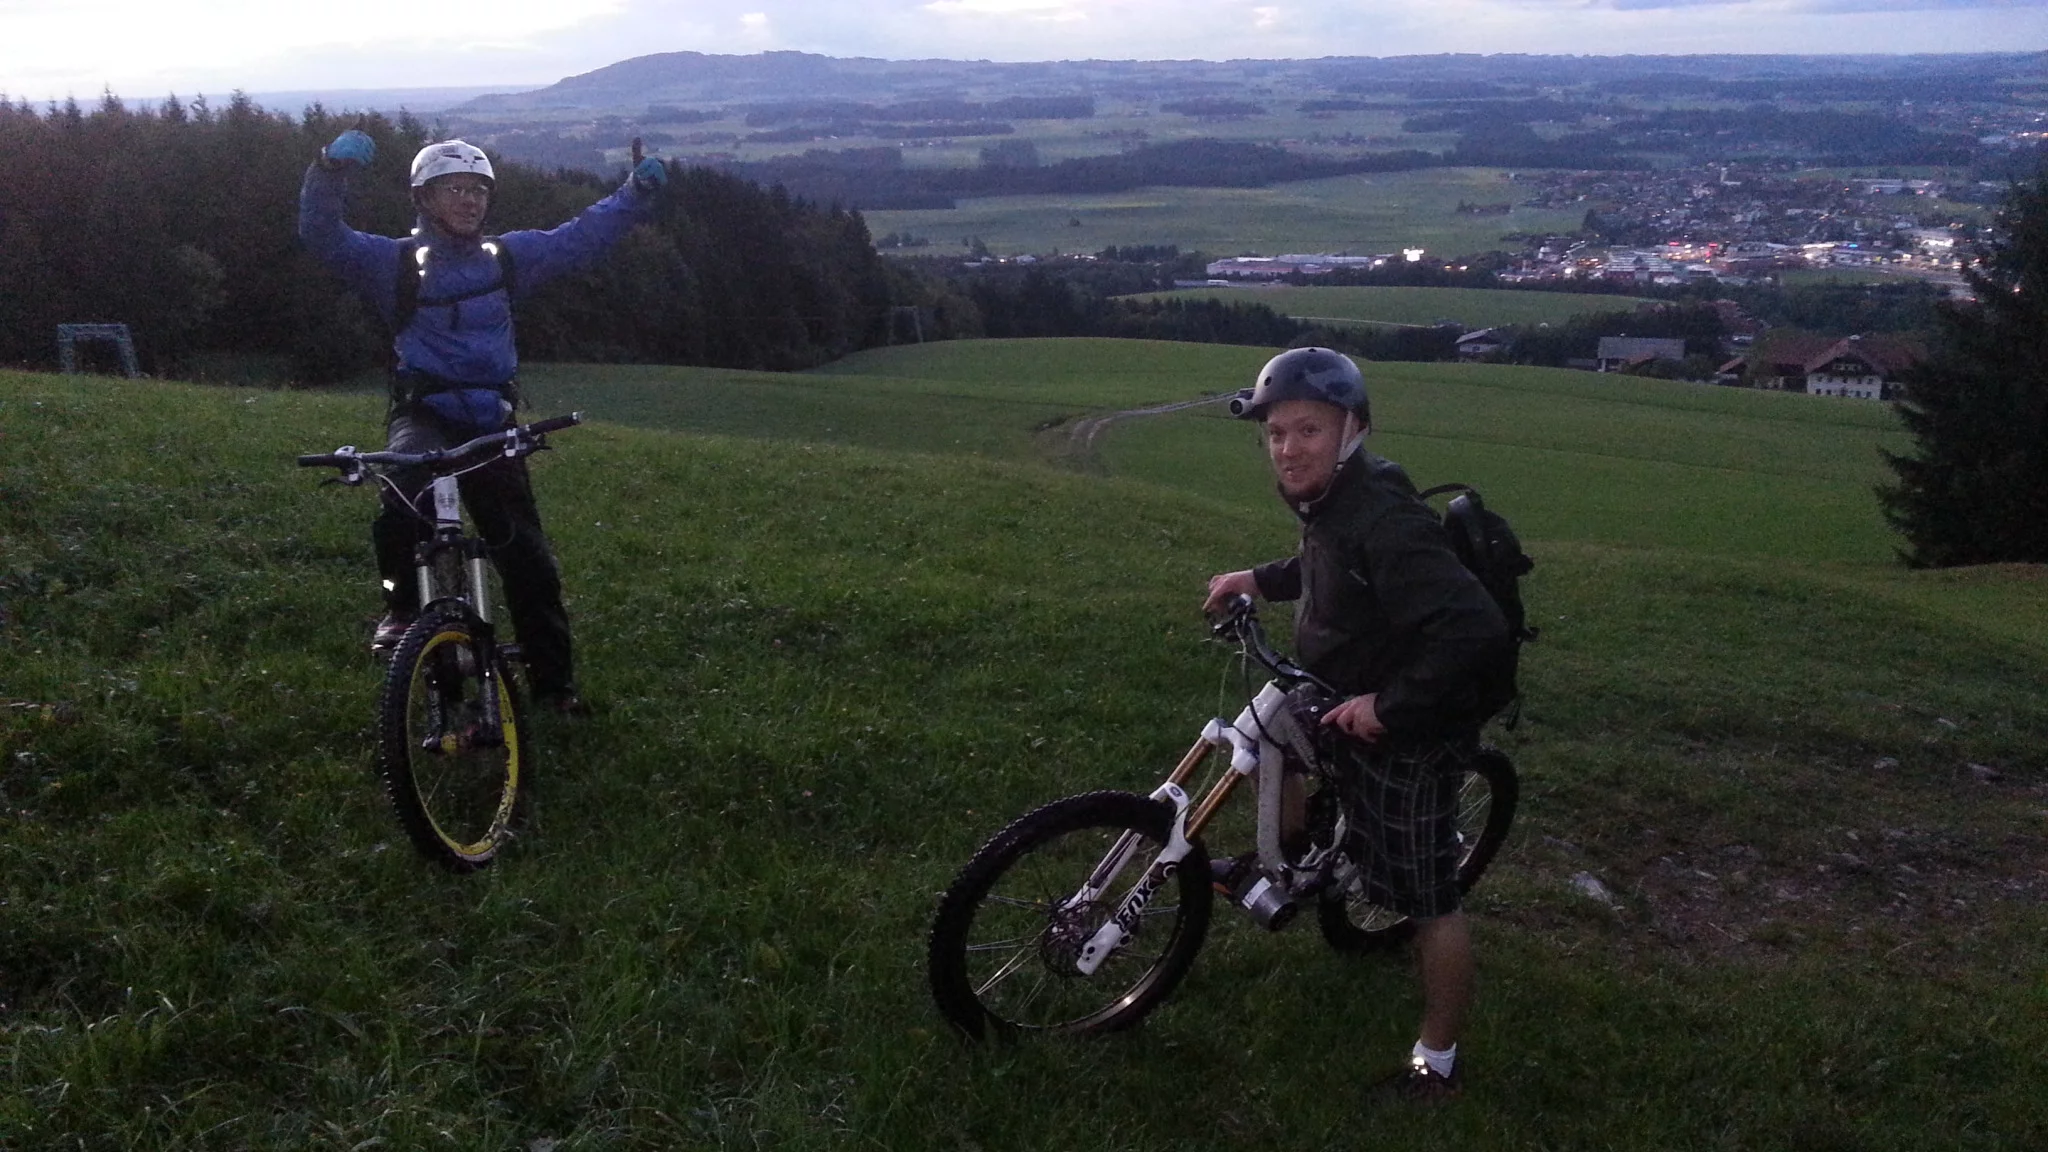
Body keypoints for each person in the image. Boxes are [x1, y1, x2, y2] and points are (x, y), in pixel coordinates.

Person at [1202, 347, 1510, 1103]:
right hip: (1336, 684)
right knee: (1275, 734)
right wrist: (1259, 580)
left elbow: (1477, 629)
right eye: (1275, 433)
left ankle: (1435, 1062)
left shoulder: (1383, 514)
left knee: (1426, 898)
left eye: (1308, 429)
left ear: (1353, 430)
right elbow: (1327, 562)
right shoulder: (1331, 501)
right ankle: (1301, 858)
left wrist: (1390, 707)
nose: (1287, 447)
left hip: (1412, 722)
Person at [300, 129, 670, 715]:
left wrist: (635, 193)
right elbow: (322, 236)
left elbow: (583, 237)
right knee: (402, 502)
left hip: (492, 421)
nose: (470, 201)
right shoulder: (394, 262)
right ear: (424, 199)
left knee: (526, 558)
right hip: (425, 412)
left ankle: (554, 688)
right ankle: (399, 607)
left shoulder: (508, 257)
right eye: (454, 189)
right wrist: (328, 171)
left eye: (478, 189)